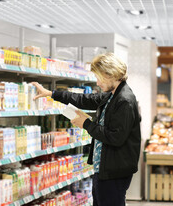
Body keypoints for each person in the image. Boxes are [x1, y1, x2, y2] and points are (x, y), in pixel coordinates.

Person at [31, 53, 141, 206]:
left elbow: (116, 137)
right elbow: (85, 99)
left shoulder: (124, 100)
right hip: (105, 168)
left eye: (99, 77)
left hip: (114, 171)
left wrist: (86, 124)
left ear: (110, 74)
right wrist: (51, 94)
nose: (97, 82)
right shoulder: (112, 95)